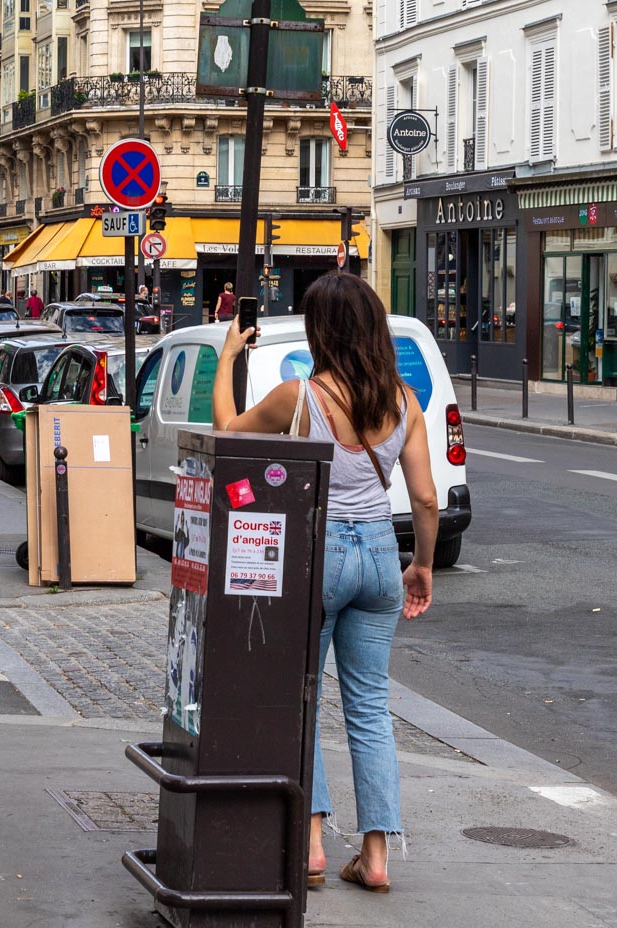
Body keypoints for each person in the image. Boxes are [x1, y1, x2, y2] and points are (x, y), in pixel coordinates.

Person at [211, 270, 438, 895]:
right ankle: (376, 856)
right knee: (370, 707)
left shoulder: (299, 396)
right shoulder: (405, 402)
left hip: (319, 554)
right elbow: (423, 496)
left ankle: (310, 843)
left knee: (300, 695)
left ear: (322, 332)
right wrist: (419, 565)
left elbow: (227, 430)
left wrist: (230, 356)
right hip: (380, 558)